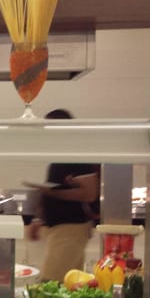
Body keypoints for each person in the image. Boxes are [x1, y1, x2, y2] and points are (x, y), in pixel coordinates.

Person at [26, 109, 100, 281]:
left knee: (51, 282)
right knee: (69, 284)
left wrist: (53, 193)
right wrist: (39, 219)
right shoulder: (61, 156)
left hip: (71, 229)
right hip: (62, 229)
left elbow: (90, 193)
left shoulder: (77, 156)